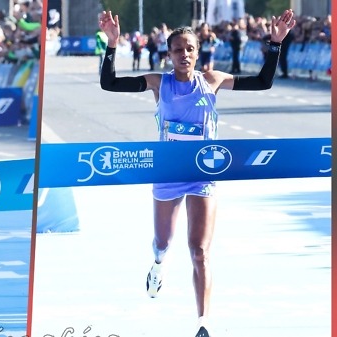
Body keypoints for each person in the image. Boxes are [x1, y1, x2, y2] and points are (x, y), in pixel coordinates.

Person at [98, 9, 295, 337]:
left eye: (190, 49)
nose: (184, 54)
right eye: (178, 50)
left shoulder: (213, 80)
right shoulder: (157, 83)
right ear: (169, 55)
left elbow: (263, 82)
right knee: (163, 242)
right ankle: (158, 266)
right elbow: (109, 83)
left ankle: (203, 323)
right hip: (168, 173)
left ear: (197, 52)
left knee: (199, 249)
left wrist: (275, 43)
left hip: (204, 173)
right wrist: (112, 44)